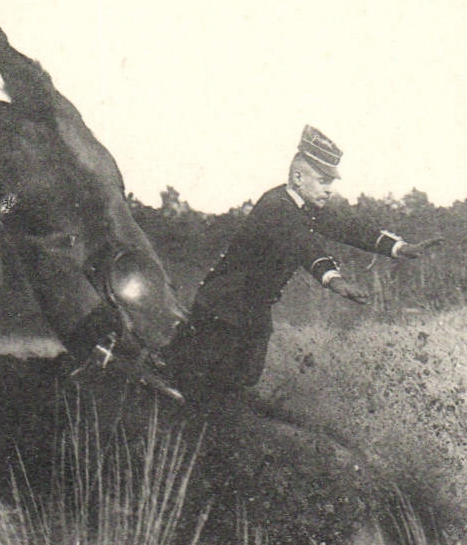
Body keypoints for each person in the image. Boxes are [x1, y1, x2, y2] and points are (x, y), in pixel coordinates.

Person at [166, 125, 434, 398]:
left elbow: (350, 228)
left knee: (238, 387)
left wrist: (400, 248)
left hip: (252, 313)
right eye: (322, 180)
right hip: (222, 310)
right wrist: (334, 280)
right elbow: (303, 244)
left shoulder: (304, 208)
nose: (329, 190)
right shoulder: (277, 206)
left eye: (331, 182)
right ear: (297, 177)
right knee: (200, 389)